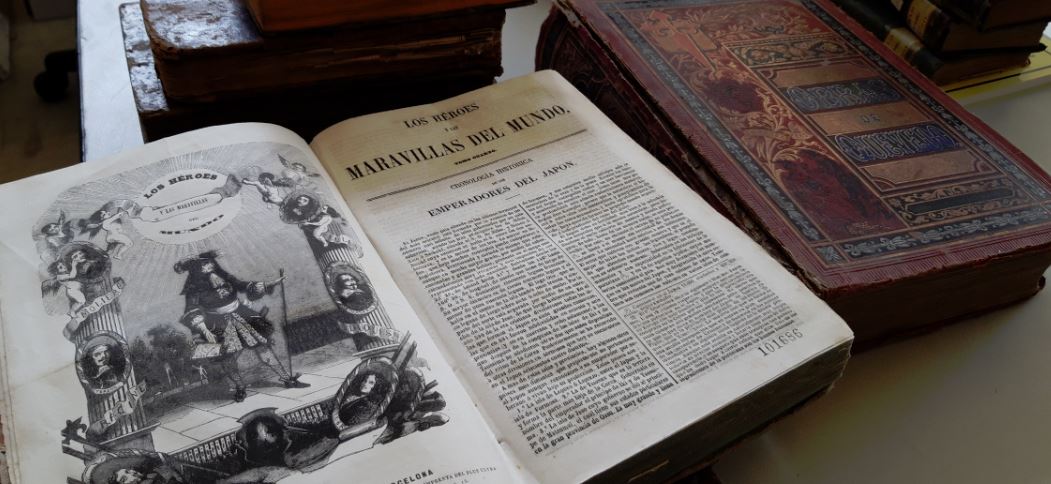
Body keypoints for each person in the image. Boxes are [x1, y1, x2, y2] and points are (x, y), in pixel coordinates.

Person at [175, 251, 307, 402]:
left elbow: (243, 286)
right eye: (205, 264)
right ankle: (240, 387)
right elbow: (191, 310)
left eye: (210, 262)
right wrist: (204, 330)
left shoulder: (224, 277)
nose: (210, 266)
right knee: (227, 359)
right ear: (197, 269)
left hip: (242, 314)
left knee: (263, 346)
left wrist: (268, 285)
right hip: (218, 322)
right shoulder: (194, 289)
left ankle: (286, 378)